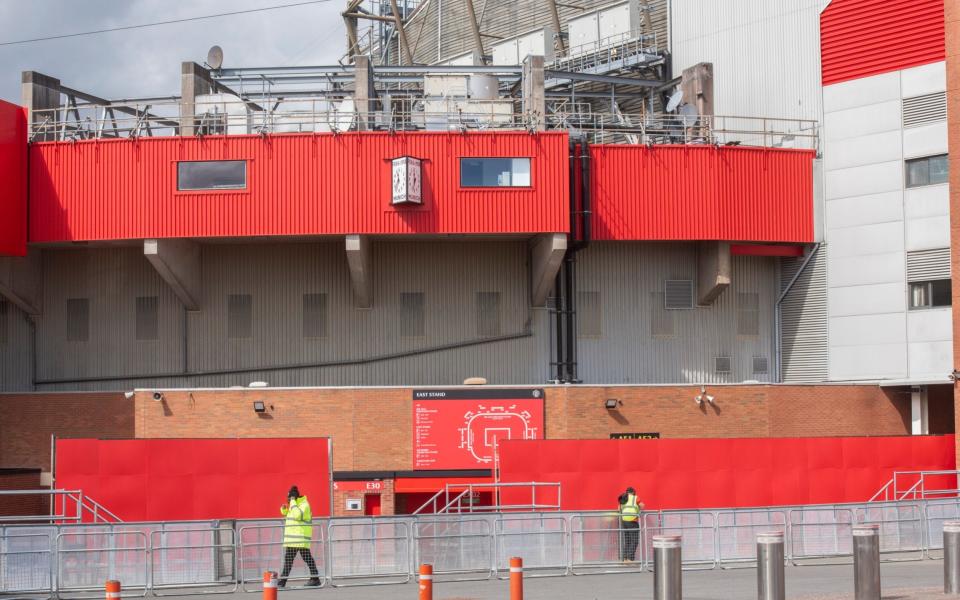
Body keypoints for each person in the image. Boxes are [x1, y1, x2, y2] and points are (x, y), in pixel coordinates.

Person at [278, 485, 320, 587]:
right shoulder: (296, 504)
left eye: (289, 497)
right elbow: (290, 515)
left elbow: (297, 515)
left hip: (299, 538)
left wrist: (292, 502)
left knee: (291, 560)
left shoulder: (304, 504)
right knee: (306, 558)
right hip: (295, 538)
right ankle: (315, 579)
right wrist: (284, 509)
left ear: (294, 497)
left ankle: (282, 582)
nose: (288, 499)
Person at [618, 486, 644, 562]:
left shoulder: (623, 498)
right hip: (632, 519)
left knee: (627, 540)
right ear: (633, 492)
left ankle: (625, 559)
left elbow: (619, 509)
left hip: (624, 520)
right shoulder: (635, 497)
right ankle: (630, 559)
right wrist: (638, 510)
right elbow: (642, 505)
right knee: (634, 540)